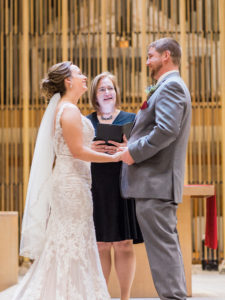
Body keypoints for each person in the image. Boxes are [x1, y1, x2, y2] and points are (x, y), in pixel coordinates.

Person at [11, 62, 122, 300]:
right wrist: (113, 158)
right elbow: (77, 153)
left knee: (70, 237)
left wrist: (90, 148)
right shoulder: (69, 110)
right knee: (73, 238)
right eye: (79, 74)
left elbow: (74, 148)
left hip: (71, 180)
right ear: (68, 82)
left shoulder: (64, 108)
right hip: (71, 185)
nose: (84, 77)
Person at [120, 38, 192, 300]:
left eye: (151, 55)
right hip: (156, 184)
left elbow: (166, 130)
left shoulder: (170, 87)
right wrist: (135, 139)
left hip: (156, 183)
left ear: (166, 56)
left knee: (163, 251)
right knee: (165, 249)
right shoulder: (167, 86)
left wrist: (134, 152)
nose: (147, 61)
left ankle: (173, 298)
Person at [87, 72, 143, 300]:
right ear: (94, 95)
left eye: (111, 88)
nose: (107, 93)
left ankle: (125, 297)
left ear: (117, 92)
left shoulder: (131, 119)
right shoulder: (86, 121)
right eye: (102, 89)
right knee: (100, 245)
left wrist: (131, 148)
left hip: (123, 186)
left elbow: (142, 152)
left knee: (124, 244)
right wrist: (92, 148)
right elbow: (75, 153)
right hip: (96, 187)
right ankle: (103, 295)